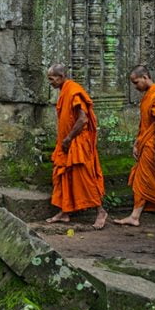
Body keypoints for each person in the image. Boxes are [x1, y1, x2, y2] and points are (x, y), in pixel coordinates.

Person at [113, 65, 155, 229]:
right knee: (141, 180)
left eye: (136, 82)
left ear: (145, 77)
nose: (135, 87)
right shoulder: (148, 96)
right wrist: (137, 143)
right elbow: (145, 124)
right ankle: (134, 216)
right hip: (146, 144)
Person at [45, 64, 107, 229]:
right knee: (62, 175)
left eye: (51, 79)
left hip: (77, 141)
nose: (50, 83)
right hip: (66, 141)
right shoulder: (64, 91)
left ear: (61, 76)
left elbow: (83, 119)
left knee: (84, 177)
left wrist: (69, 138)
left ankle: (100, 211)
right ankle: (64, 212)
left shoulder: (73, 91)